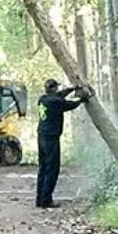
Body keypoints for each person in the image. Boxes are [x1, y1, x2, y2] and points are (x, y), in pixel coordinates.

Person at [36, 77, 87, 209]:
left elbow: (60, 96)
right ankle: (46, 200)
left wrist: (71, 89)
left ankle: (40, 198)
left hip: (41, 136)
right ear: (53, 89)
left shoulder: (43, 99)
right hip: (51, 138)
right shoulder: (56, 102)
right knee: (52, 169)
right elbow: (69, 105)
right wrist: (81, 100)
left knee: (43, 168)